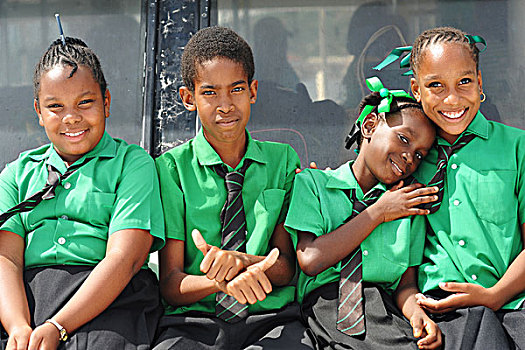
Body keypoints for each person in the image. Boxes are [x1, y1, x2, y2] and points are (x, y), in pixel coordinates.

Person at [153, 26, 315, 349]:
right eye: (210, 92)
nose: (225, 105)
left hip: (271, 318)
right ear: (189, 98)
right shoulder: (171, 169)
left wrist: (242, 262)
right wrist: (221, 282)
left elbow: (285, 267)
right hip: (194, 322)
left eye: (236, 90)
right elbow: (170, 283)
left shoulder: (282, 160)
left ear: (253, 91)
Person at [0, 37, 165, 349]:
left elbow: (124, 258)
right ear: (38, 111)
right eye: (55, 107)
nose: (71, 118)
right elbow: (6, 257)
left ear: (106, 101)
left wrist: (58, 326)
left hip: (110, 300)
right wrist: (18, 326)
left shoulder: (133, 164)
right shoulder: (16, 174)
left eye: (85, 103)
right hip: (26, 299)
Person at [379, 26, 525, 349]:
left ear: (480, 82)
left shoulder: (518, 148)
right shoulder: (409, 161)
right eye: (435, 86)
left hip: (516, 303)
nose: (452, 99)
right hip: (444, 313)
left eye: (464, 82)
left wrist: (494, 296)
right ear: (416, 89)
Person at [284, 77, 442, 350]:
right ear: (369, 126)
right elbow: (310, 259)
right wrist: (379, 212)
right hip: (327, 305)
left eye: (419, 155)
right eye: (404, 139)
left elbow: (406, 286)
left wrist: (418, 315)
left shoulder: (409, 205)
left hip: (385, 311)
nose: (408, 157)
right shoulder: (313, 184)